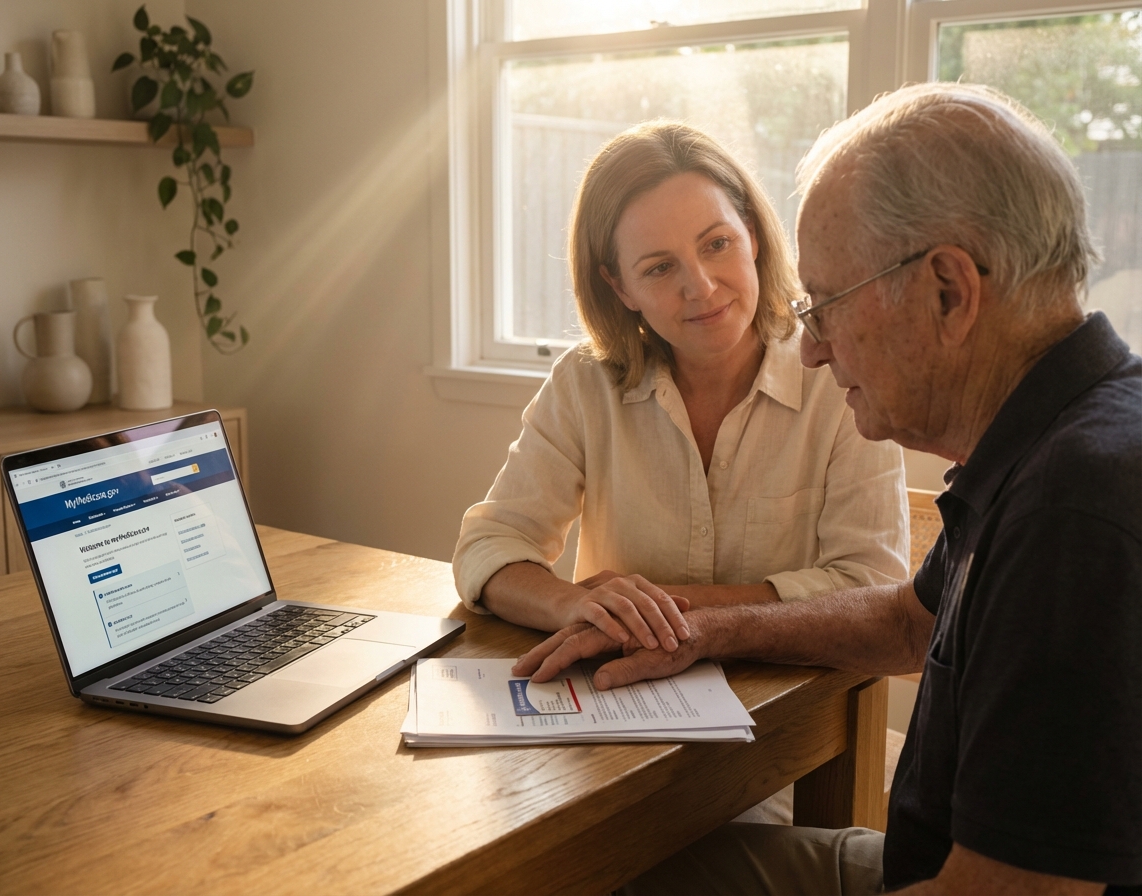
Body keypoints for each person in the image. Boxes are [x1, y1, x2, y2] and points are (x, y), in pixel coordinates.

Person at [516, 84, 1142, 895]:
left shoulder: (1072, 515)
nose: (810, 350)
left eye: (829, 305)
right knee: (617, 871)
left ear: (948, 292)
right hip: (922, 864)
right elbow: (905, 622)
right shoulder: (1050, 436)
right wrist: (704, 630)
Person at [453, 121, 908, 665]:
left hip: (797, 701)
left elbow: (873, 590)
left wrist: (658, 611)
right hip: (621, 700)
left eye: (717, 244)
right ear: (620, 287)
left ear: (753, 235)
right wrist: (572, 604)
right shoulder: (584, 382)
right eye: (660, 267)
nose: (701, 287)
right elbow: (488, 546)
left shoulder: (843, 375)